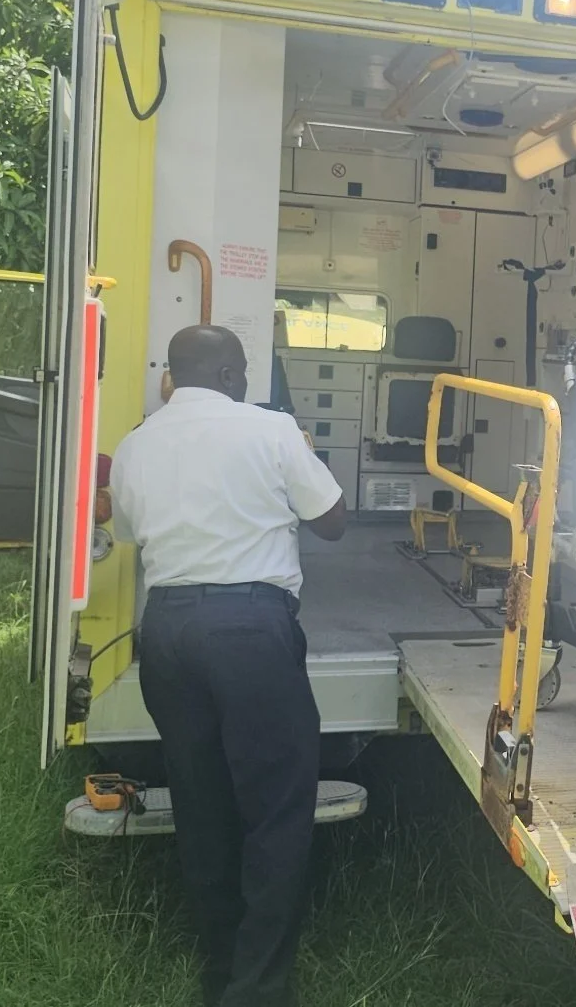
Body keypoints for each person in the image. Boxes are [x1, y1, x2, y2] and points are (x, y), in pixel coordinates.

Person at [111, 325, 346, 1007]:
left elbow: (128, 530)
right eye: (241, 370)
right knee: (275, 811)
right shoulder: (271, 430)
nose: (246, 380)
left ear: (172, 377)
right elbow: (332, 520)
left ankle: (220, 974)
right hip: (249, 629)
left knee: (202, 804)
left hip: (168, 631)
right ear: (226, 371)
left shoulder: (135, 443)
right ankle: (259, 989)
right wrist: (300, 455)